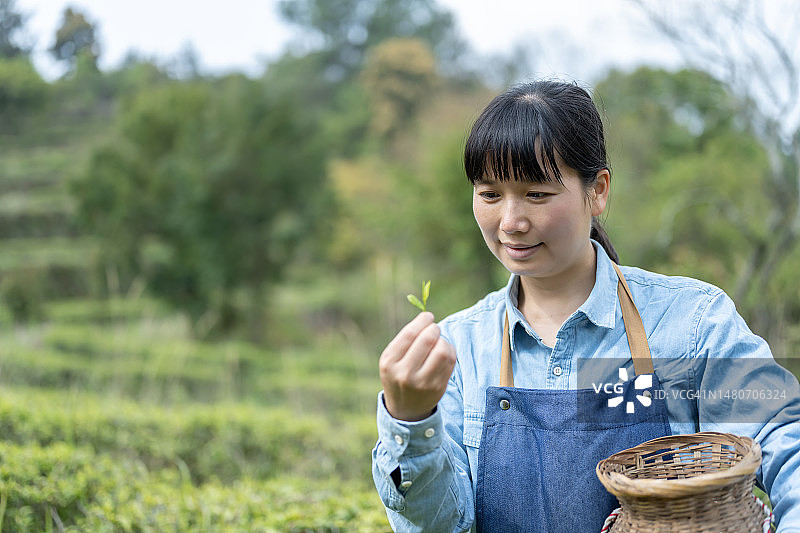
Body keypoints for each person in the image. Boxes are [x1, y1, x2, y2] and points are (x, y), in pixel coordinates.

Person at [371, 79, 800, 532]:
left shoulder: (692, 321)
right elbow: (438, 526)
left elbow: (786, 438)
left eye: (537, 194)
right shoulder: (460, 347)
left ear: (597, 191)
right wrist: (411, 421)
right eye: (490, 194)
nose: (511, 223)